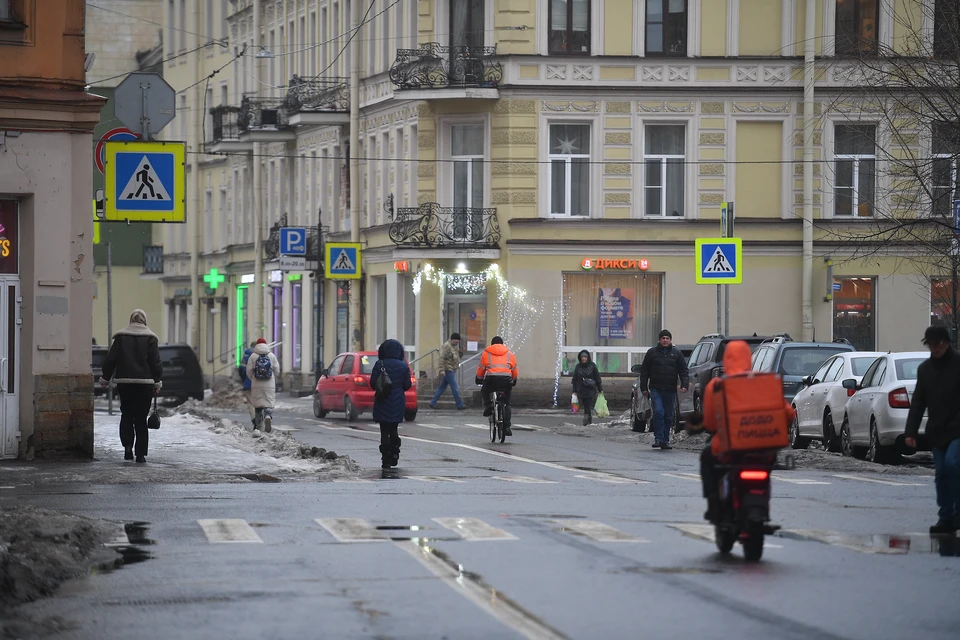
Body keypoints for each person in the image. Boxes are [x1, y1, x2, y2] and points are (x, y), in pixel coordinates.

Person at [691, 340, 794, 521]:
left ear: (727, 359)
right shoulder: (763, 381)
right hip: (763, 449)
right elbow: (788, 413)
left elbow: (710, 423)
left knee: (707, 458)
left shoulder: (717, 384)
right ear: (748, 358)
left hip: (729, 449)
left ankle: (714, 505)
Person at [904, 325, 960, 535]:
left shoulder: (958, 364)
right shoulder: (925, 370)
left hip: (957, 429)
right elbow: (918, 402)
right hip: (937, 430)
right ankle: (945, 517)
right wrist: (911, 432)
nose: (935, 349)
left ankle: (957, 512)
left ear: (947, 343)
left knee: (953, 464)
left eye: (939, 344)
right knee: (940, 473)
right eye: (931, 345)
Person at [98, 309, 163, 463]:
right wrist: (157, 381)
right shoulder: (150, 338)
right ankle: (140, 454)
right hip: (145, 384)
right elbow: (155, 362)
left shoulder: (121, 337)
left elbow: (111, 359)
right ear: (144, 320)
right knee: (141, 418)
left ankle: (127, 447)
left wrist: (105, 378)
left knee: (126, 414)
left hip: (125, 383)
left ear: (130, 320)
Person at [639, 329, 689, 449]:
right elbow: (644, 371)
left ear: (670, 340)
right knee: (659, 412)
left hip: (670, 389)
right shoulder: (652, 353)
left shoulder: (676, 354)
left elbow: (683, 371)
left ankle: (665, 440)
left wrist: (684, 385)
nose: (665, 340)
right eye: (663, 338)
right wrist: (643, 387)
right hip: (656, 388)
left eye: (667, 338)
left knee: (668, 415)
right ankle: (658, 438)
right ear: (659, 340)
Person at [370, 338, 413, 469]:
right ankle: (395, 453)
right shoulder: (403, 365)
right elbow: (407, 384)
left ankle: (385, 459)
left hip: (383, 400)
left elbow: (373, 383)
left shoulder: (379, 364)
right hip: (398, 401)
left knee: (384, 430)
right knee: (394, 428)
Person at [476, 336, 518, 436]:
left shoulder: (486, 353)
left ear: (492, 344)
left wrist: (478, 378)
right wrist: (514, 380)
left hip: (491, 379)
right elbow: (514, 369)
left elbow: (481, 369)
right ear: (502, 344)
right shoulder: (509, 354)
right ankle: (507, 426)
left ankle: (488, 406)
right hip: (506, 380)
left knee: (484, 390)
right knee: (507, 402)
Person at [245, 338, 280, 433]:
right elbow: (277, 370)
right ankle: (268, 416)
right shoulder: (271, 355)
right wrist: (273, 377)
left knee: (258, 405)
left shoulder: (253, 356)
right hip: (269, 383)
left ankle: (259, 427)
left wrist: (253, 378)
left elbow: (248, 371)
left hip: (256, 383)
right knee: (268, 402)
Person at [429, 332, 466, 410]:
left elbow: (457, 357)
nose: (458, 342)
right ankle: (459, 404)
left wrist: (461, 351)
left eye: (458, 341)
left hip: (452, 369)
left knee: (442, 387)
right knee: (455, 387)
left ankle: (432, 402)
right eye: (457, 340)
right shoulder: (446, 346)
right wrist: (441, 369)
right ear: (453, 339)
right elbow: (441, 358)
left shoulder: (454, 347)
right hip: (448, 369)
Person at [572, 350, 603, 426]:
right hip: (581, 389)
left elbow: (597, 378)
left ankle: (587, 419)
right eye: (582, 357)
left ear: (588, 357)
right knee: (581, 404)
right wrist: (574, 391)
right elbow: (575, 379)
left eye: (585, 357)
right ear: (580, 358)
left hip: (590, 389)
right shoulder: (578, 367)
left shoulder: (592, 366)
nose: (584, 359)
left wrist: (600, 390)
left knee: (587, 404)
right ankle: (587, 418)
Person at [239, 341, 257, 429]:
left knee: (251, 403)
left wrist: (244, 379)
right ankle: (262, 418)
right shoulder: (263, 355)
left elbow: (241, 369)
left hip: (248, 383)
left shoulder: (246, 356)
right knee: (260, 402)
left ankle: (254, 419)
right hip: (261, 384)